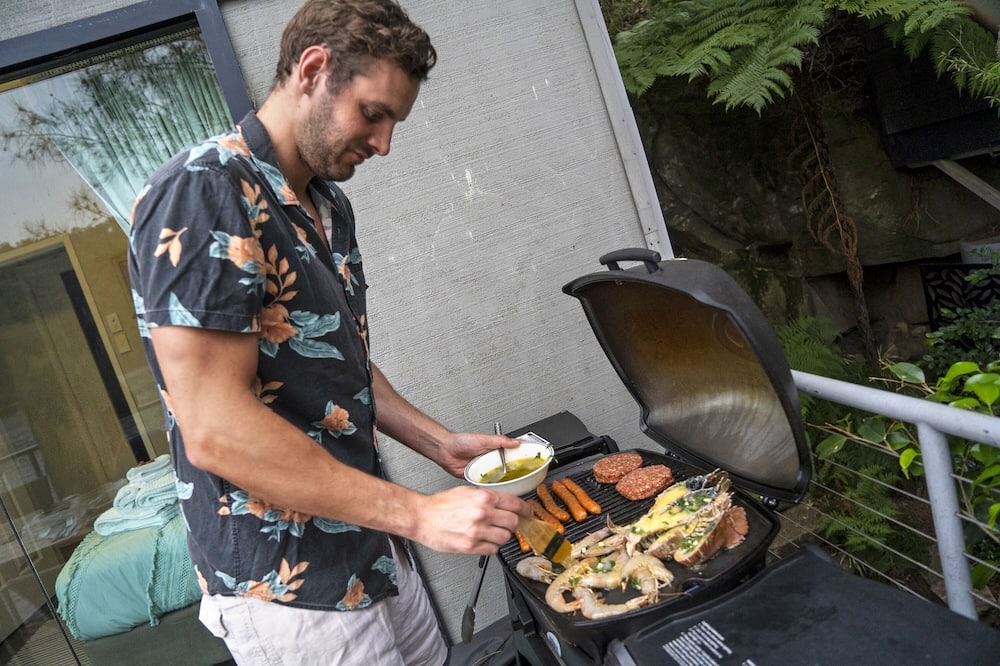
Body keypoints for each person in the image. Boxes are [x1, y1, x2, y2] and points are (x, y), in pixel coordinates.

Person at [127, 1, 529, 663]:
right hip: (289, 586)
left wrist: (439, 443)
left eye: (394, 123)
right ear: (313, 70)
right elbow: (215, 429)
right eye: (373, 114)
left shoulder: (326, 203)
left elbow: (334, 359)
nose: (384, 144)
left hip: (371, 545)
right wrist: (421, 515)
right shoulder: (202, 192)